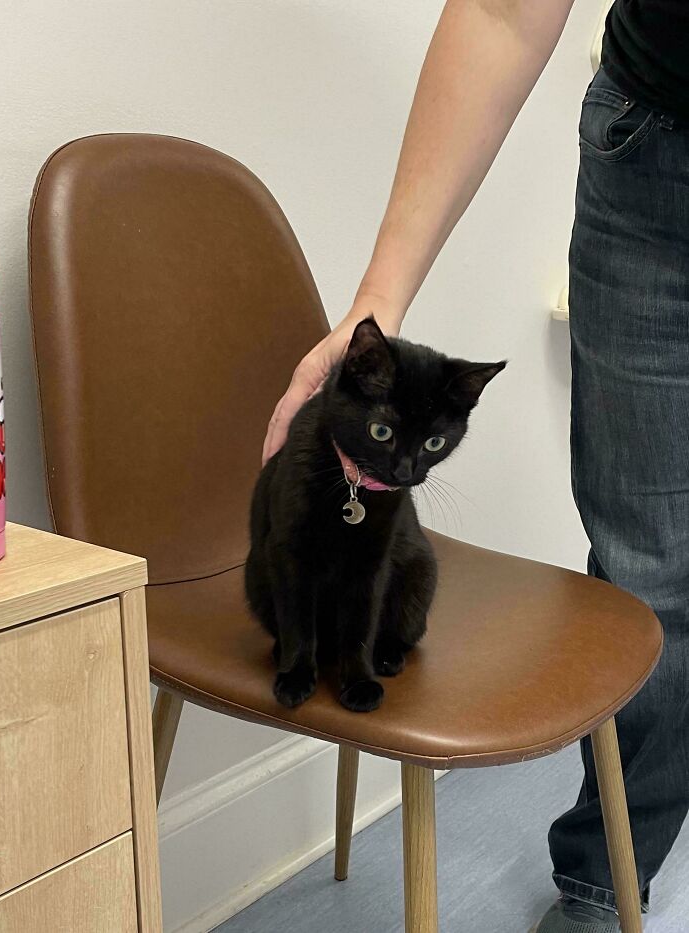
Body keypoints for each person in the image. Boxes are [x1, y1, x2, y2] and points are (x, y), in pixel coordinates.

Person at [263, 1, 688, 930]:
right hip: (656, 145)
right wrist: (372, 306)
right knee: (652, 578)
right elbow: (504, 11)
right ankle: (605, 885)